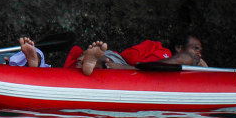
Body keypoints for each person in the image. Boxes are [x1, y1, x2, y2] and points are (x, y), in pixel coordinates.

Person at [64, 34, 207, 76]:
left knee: (105, 64)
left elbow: (207, 72)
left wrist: (199, 61)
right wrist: (127, 67)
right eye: (195, 49)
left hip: (124, 68)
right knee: (105, 60)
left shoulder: (194, 64)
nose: (198, 53)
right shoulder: (157, 47)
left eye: (200, 51)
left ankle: (87, 63)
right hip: (118, 60)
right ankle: (90, 62)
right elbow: (131, 57)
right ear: (179, 48)